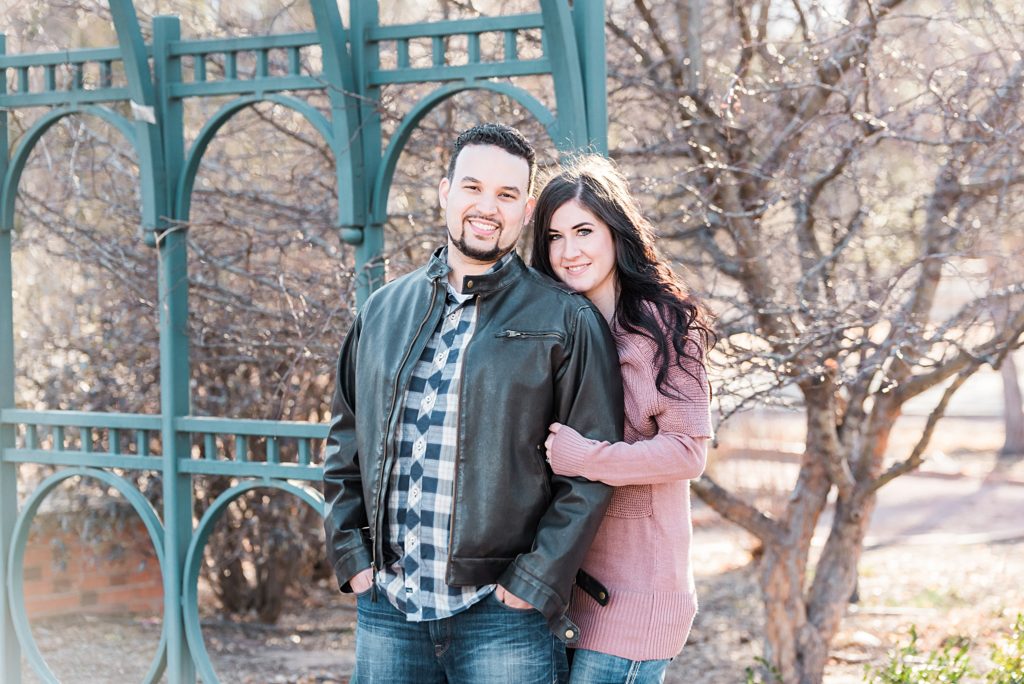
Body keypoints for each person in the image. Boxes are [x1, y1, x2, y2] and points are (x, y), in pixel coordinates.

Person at [323, 123, 625, 683]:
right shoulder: (382, 311)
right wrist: (353, 560)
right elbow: (345, 445)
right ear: (445, 192)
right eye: (473, 187)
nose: (488, 207)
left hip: (501, 617)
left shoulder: (565, 320)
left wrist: (532, 582)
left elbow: (592, 471)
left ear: (527, 208)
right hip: (388, 608)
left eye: (507, 195)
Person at [531, 154, 715, 684]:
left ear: (615, 231)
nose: (569, 251)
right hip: (565, 586)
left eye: (583, 230)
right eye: (554, 236)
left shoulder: (665, 326)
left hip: (640, 591)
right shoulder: (553, 329)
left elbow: (687, 452)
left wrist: (587, 458)